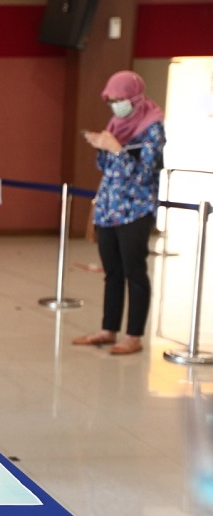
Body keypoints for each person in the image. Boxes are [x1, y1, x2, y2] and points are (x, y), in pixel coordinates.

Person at [73, 71, 165, 355]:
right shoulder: (116, 122)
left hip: (135, 210)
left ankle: (134, 335)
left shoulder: (153, 128)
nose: (115, 104)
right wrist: (102, 146)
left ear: (135, 98)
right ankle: (108, 329)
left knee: (135, 273)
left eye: (120, 99)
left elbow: (143, 174)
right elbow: (106, 168)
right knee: (112, 272)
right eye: (111, 100)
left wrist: (116, 149)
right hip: (109, 208)